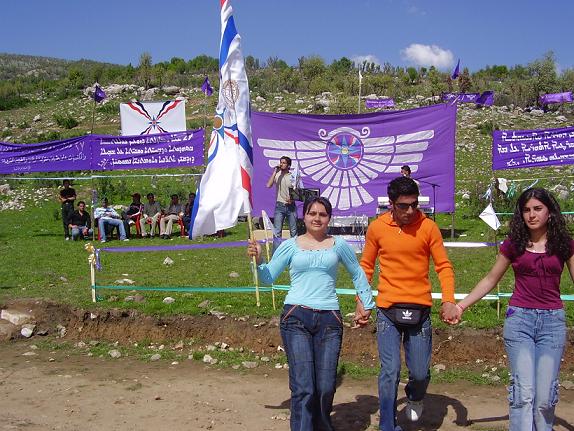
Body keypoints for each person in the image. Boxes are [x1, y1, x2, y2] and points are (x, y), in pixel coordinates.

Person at [247, 196, 375, 431]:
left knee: (326, 387)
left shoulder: (339, 245)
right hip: (296, 317)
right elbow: (268, 277)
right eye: (312, 213)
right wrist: (259, 259)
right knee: (303, 387)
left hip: (329, 321)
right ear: (303, 216)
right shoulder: (290, 245)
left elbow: (357, 273)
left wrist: (366, 303)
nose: (317, 218)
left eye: (322, 214)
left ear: (329, 218)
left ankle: (322, 425)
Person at [450, 188, 573, 431]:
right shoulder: (513, 244)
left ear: (550, 212)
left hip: (552, 324)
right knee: (523, 394)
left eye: (537, 209)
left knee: (545, 398)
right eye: (526, 210)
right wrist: (461, 305)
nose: (532, 215)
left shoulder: (564, 244)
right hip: (520, 322)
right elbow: (490, 279)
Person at [354, 176, 457, 431]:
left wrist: (448, 300)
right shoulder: (377, 228)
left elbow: (443, 266)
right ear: (391, 204)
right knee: (390, 371)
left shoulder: (429, 227)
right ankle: (387, 425)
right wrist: (361, 301)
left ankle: (415, 396)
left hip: (420, 309)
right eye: (403, 206)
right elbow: (366, 267)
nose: (410, 211)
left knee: (420, 373)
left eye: (414, 204)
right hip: (387, 310)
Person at [267, 156, 297, 238]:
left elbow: (297, 190)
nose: (281, 164)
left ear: (288, 165)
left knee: (293, 231)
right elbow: (268, 185)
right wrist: (275, 172)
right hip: (279, 206)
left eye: (284, 163)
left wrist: (292, 199)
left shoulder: (293, 176)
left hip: (291, 206)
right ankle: (277, 247)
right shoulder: (277, 175)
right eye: (281, 162)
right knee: (277, 231)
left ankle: (293, 246)